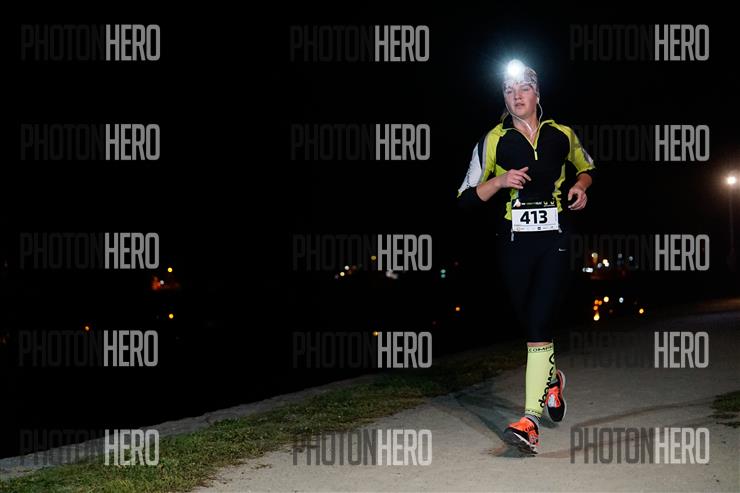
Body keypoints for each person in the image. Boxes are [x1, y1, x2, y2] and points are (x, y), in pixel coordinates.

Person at [457, 59, 595, 454]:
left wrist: (581, 187)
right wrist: (500, 180)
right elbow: (465, 198)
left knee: (538, 324)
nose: (516, 96)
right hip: (514, 242)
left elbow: (587, 167)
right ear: (504, 97)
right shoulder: (493, 140)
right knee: (530, 322)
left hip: (556, 239)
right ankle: (552, 382)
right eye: (508, 89)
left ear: (537, 93)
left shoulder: (561, 133)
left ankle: (529, 422)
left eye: (524, 88)